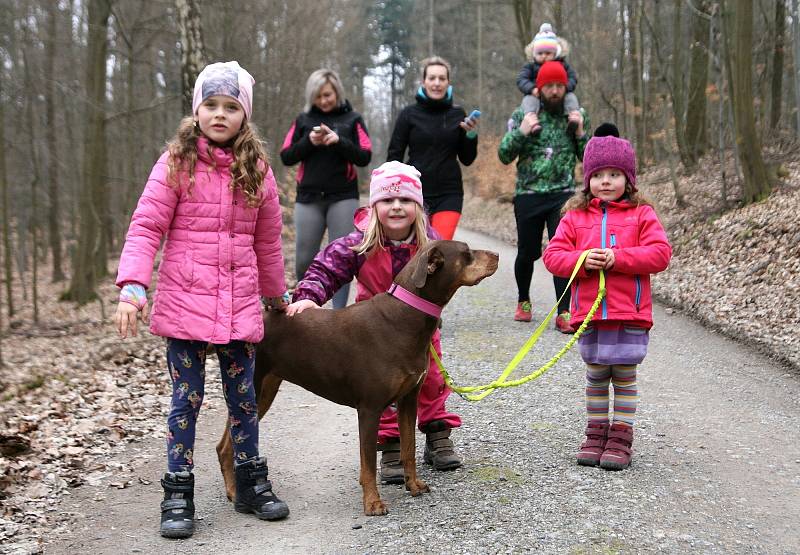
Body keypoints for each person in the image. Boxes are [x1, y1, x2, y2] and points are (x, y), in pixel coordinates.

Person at [114, 61, 290, 539]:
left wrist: (276, 295)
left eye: (230, 106)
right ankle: (178, 493)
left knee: (244, 401)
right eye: (210, 104)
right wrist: (133, 286)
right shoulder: (176, 163)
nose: (219, 114)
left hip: (238, 305)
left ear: (243, 116)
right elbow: (147, 225)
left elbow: (268, 241)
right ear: (196, 110)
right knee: (185, 401)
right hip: (185, 304)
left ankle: (252, 483)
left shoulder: (258, 171)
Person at [286, 161, 463, 484]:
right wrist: (309, 295)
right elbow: (327, 269)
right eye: (387, 200)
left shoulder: (430, 245)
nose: (397, 207)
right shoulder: (359, 243)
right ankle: (390, 443)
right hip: (372, 336)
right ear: (374, 206)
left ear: (418, 206)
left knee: (432, 379)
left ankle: (437, 432)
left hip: (419, 331)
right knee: (378, 388)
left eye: (406, 200)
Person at [542, 123, 672, 471]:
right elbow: (553, 258)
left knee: (624, 375)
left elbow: (660, 254)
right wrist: (582, 261)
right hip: (590, 314)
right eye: (599, 174)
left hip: (629, 314)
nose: (606, 181)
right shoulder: (574, 216)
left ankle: (621, 436)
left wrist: (621, 258)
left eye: (614, 174)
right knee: (597, 374)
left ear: (628, 179)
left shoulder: (642, 214)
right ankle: (596, 432)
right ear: (587, 179)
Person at [498, 60, 590, 331]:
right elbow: (504, 154)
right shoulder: (523, 114)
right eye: (548, 86)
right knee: (527, 252)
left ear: (565, 88)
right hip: (528, 193)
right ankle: (523, 299)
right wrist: (522, 131)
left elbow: (589, 159)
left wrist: (582, 131)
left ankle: (564, 311)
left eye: (558, 86)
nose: (554, 91)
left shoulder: (574, 115)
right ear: (539, 88)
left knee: (561, 251)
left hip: (562, 194)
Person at [280, 68, 372, 309]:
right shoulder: (303, 120)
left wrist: (339, 142)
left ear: (337, 93)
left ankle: (339, 315)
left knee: (341, 258)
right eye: (318, 96)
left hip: (343, 197)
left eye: (328, 95)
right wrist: (309, 142)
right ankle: (306, 306)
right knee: (304, 260)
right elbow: (286, 156)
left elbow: (364, 156)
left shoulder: (352, 119)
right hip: (308, 198)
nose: (324, 101)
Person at [387, 56, 478, 241]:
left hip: (449, 193)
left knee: (439, 249)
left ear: (448, 82)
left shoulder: (457, 114)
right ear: (424, 81)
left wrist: (469, 135)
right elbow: (394, 156)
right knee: (418, 251)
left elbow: (467, 159)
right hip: (415, 193)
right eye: (432, 78)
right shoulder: (409, 114)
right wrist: (393, 191)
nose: (437, 83)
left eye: (442, 78)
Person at [516, 23, 581, 137]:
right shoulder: (531, 66)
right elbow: (521, 79)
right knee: (528, 101)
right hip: (536, 94)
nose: (544, 56)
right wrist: (531, 89)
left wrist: (565, 88)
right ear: (534, 54)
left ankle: (573, 118)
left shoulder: (562, 65)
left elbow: (572, 77)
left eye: (548, 53)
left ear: (555, 53)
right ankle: (532, 121)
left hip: (560, 97)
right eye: (540, 53)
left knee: (571, 98)